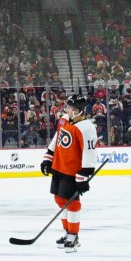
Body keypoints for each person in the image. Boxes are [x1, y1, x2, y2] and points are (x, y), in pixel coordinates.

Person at [44, 95, 99, 251]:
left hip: (72, 170)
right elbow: (57, 138)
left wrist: (84, 174)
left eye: (69, 108)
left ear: (78, 110)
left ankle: (73, 236)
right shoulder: (64, 120)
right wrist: (48, 157)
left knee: (72, 203)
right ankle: (67, 231)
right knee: (59, 200)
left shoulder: (87, 127)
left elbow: (89, 152)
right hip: (59, 166)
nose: (66, 110)